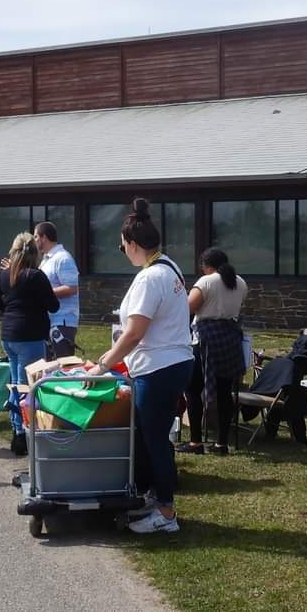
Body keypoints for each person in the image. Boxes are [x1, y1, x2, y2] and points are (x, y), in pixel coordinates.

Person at [92, 197, 192, 534]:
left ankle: (166, 513)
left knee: (154, 440)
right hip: (173, 362)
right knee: (154, 437)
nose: (125, 254)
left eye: (123, 248)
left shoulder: (150, 278)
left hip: (159, 367)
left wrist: (104, 364)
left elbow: (134, 333)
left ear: (133, 244)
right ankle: (156, 496)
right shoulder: (171, 267)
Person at [0, 233, 59, 456]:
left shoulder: (7, 274)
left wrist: (9, 305)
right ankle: (25, 432)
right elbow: (53, 305)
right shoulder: (36, 276)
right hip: (31, 334)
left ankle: (17, 431)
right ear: (35, 254)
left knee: (17, 383)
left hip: (9, 334)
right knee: (29, 386)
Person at [177, 248, 247, 455]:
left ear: (207, 266)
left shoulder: (205, 282)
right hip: (230, 336)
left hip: (206, 338)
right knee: (225, 392)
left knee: (192, 389)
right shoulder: (240, 282)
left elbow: (188, 308)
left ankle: (196, 442)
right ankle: (221, 443)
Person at [34, 221, 81, 359]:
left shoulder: (63, 258)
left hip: (62, 321)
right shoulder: (46, 260)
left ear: (44, 237)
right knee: (48, 365)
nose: (34, 241)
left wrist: (43, 294)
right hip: (48, 320)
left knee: (61, 364)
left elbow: (72, 288)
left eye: (36, 237)